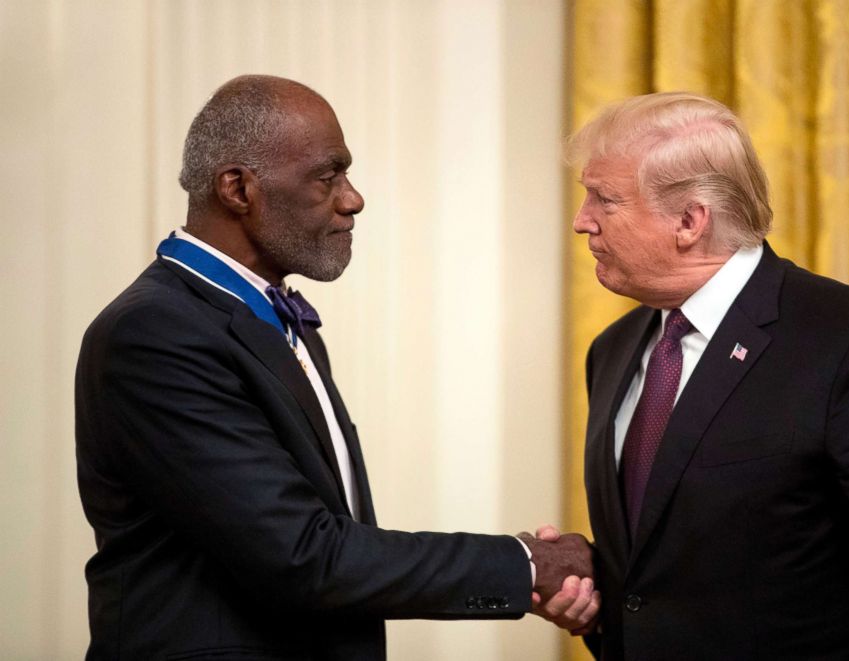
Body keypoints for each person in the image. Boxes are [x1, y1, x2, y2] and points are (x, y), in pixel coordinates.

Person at [74, 74, 597, 660]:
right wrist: (524, 565)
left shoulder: (268, 317)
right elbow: (302, 554)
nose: (353, 198)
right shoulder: (155, 334)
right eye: (328, 176)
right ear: (237, 189)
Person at [563, 92, 849, 660]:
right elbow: (662, 574)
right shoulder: (613, 351)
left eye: (604, 199)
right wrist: (589, 587)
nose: (580, 220)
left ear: (690, 220)